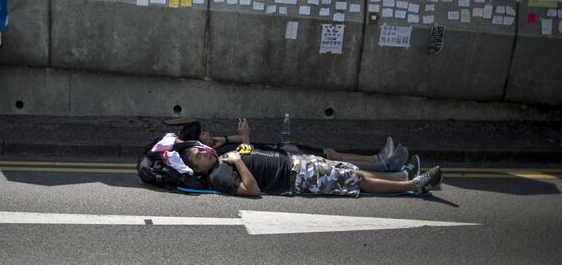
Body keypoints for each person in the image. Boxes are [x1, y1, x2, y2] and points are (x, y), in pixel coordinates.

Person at [180, 121, 441, 197]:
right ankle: (414, 185)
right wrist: (237, 160)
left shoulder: (221, 158)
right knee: (355, 179)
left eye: (200, 149)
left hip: (296, 164)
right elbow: (252, 189)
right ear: (197, 170)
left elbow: (249, 153)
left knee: (350, 170)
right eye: (198, 155)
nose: (203, 152)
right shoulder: (218, 175)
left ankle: (403, 176)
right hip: (296, 177)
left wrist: (234, 142)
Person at [192, 119, 417, 176]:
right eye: (203, 134)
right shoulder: (217, 155)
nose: (208, 133)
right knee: (332, 162)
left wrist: (225, 137)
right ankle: (384, 166)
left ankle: (377, 158)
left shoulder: (218, 145)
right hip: (283, 156)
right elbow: (247, 152)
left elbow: (239, 143)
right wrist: (244, 136)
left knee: (331, 153)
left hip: (282, 148)